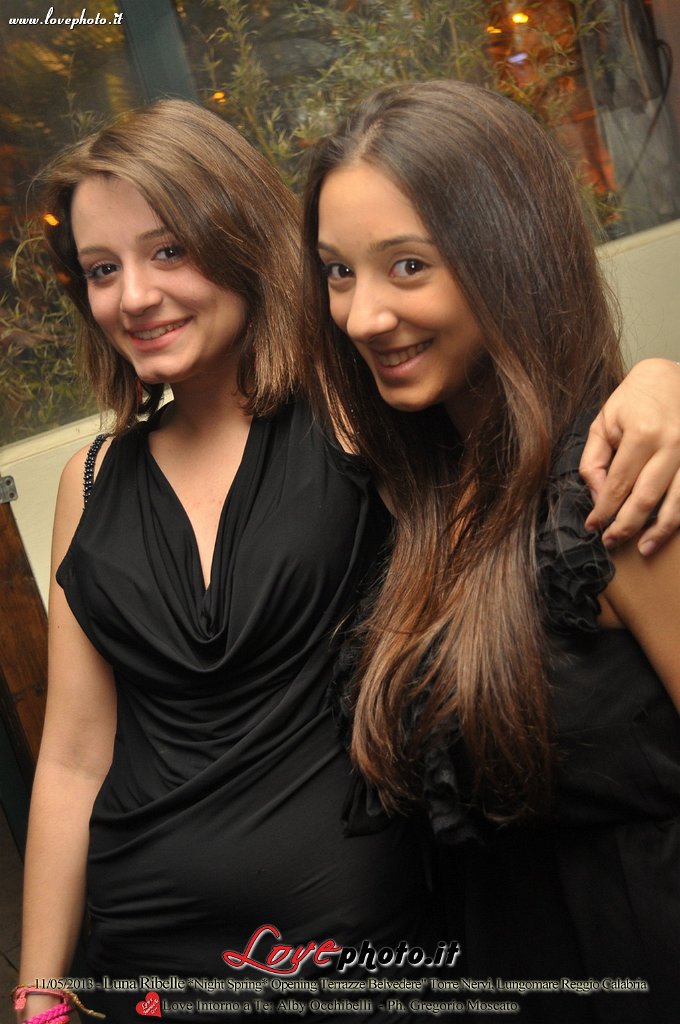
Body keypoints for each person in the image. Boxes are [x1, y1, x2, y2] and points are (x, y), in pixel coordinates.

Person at [15, 96, 680, 1024]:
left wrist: (661, 385)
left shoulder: (374, 428)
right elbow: (74, 753)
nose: (133, 295)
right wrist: (41, 990)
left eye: (169, 250)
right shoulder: (102, 480)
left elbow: (540, 411)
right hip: (159, 958)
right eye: (101, 269)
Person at [302, 79, 680, 1022]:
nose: (361, 316)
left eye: (408, 266)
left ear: (513, 255)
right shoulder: (428, 492)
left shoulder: (617, 487)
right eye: (339, 272)